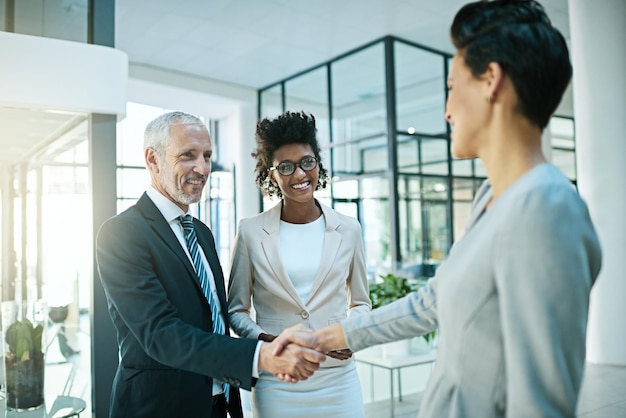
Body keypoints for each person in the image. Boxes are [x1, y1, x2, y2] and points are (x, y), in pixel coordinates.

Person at [274, 1, 603, 417]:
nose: (446, 110)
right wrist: (324, 338)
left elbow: (542, 405)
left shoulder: (546, 210)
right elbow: (432, 301)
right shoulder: (492, 197)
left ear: (491, 81)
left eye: (451, 86)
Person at [96, 111, 325, 418]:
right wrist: (262, 355)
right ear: (153, 160)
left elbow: (215, 316)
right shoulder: (122, 232)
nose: (202, 168)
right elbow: (161, 334)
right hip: (160, 408)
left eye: (206, 155)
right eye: (188, 156)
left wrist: (275, 336)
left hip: (219, 405)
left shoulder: (201, 233)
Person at [227, 110, 371, 418]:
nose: (299, 174)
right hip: (278, 378)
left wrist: (349, 332)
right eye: (286, 167)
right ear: (272, 174)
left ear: (317, 162)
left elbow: (360, 302)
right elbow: (237, 310)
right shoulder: (251, 232)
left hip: (338, 379)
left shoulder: (349, 229)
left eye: (307, 162)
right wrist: (271, 340)